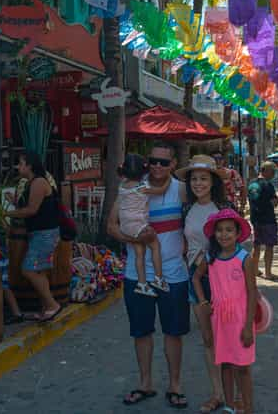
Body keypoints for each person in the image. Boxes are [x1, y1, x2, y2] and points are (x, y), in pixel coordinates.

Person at [107, 142, 190, 409]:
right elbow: (111, 226)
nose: (157, 166)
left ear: (173, 164)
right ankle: (145, 383)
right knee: (141, 332)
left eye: (164, 162)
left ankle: (175, 385)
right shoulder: (130, 186)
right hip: (136, 273)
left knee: (173, 332)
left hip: (174, 274)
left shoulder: (181, 190)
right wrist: (132, 237)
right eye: (153, 161)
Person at [175, 154, 230, 413]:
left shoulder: (221, 210)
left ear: (212, 182)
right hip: (194, 280)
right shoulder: (188, 209)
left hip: (219, 280)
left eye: (203, 179)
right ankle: (217, 393)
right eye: (194, 179)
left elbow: (229, 247)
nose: (198, 183)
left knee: (226, 338)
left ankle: (232, 394)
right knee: (208, 340)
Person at [192, 209, 257, 414]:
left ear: (238, 233)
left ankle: (247, 408)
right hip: (219, 319)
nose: (224, 234)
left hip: (240, 320)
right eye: (219, 230)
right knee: (226, 365)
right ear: (214, 234)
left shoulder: (245, 258)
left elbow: (252, 293)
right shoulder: (210, 256)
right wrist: (203, 301)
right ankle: (229, 407)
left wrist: (248, 326)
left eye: (229, 230)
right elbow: (195, 278)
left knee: (243, 368)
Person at [5, 151, 62, 322]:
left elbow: (31, 210)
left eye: (21, 163)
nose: (18, 166)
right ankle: (46, 306)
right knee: (39, 271)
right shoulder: (32, 182)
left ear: (29, 165)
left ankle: (52, 305)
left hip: (45, 233)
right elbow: (32, 205)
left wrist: (7, 213)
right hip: (42, 232)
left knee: (28, 269)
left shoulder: (38, 182)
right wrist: (14, 203)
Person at [117, 153, 171, 297]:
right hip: (138, 224)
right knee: (155, 246)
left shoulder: (122, 185)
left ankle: (142, 284)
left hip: (125, 226)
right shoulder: (143, 186)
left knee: (139, 253)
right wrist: (168, 180)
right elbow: (161, 191)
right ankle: (158, 278)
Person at [248, 162, 278, 281]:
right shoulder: (268, 185)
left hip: (255, 219)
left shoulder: (252, 183)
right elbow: (273, 203)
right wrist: (277, 200)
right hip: (268, 219)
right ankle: (268, 272)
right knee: (269, 246)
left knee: (256, 245)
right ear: (265, 170)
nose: (273, 174)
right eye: (272, 171)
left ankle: (255, 269)